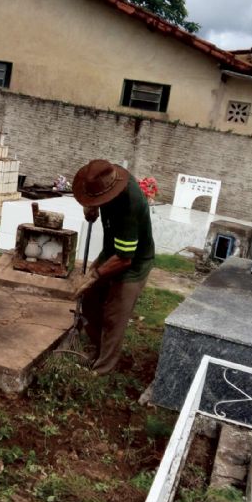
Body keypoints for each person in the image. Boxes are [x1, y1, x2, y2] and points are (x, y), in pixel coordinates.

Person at [72, 159, 154, 375]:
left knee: (114, 315)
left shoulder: (129, 204)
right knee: (89, 299)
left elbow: (124, 258)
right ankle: (96, 349)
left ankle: (102, 369)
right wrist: (91, 206)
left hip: (133, 262)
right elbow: (93, 190)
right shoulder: (110, 179)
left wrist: (94, 275)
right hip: (112, 251)